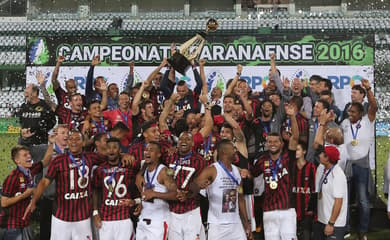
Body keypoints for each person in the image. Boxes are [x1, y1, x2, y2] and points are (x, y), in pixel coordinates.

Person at [23, 130, 107, 239]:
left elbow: (112, 158)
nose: (74, 142)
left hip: (83, 217)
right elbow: (44, 182)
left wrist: (124, 156)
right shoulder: (58, 161)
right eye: (71, 139)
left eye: (77, 139)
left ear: (83, 142)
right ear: (67, 142)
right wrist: (33, 201)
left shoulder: (91, 157)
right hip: (61, 218)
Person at [249, 103, 299, 240]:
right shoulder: (261, 160)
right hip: (269, 211)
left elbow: (295, 137)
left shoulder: (288, 156)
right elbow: (251, 173)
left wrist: (292, 116)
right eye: (269, 142)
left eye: (275, 141)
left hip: (287, 210)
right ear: (266, 144)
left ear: (281, 143)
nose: (272, 144)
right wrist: (242, 171)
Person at [340, 79, 377, 240]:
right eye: (349, 112)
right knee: (345, 197)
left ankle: (363, 231)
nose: (350, 114)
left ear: (360, 113)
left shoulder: (367, 121)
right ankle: (345, 228)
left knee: (362, 199)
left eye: (353, 112)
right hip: (346, 164)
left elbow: (374, 106)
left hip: (361, 164)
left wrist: (368, 88)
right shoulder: (345, 123)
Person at [194, 139, 253, 240]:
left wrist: (246, 224)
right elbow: (193, 187)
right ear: (224, 152)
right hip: (216, 225)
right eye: (233, 148)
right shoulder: (211, 170)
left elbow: (241, 198)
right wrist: (199, 186)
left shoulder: (237, 172)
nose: (236, 151)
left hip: (236, 224)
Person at [1, 145, 53, 240]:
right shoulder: (12, 178)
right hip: (12, 225)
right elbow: (4, 202)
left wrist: (52, 143)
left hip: (24, 223)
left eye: (29, 154)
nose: (29, 156)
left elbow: (45, 161)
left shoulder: (30, 170)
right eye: (25, 155)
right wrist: (25, 194)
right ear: (17, 161)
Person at [92, 137, 139, 240]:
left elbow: (139, 184)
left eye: (115, 147)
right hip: (105, 220)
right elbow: (95, 191)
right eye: (108, 148)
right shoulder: (100, 170)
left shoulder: (129, 168)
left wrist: (137, 201)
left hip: (124, 219)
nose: (111, 150)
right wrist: (95, 212)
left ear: (120, 150)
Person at [165, 131, 208, 240]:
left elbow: (200, 184)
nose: (183, 141)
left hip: (191, 210)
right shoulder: (168, 157)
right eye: (181, 139)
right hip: (172, 211)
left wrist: (187, 195)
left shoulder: (200, 161)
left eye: (187, 139)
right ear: (177, 143)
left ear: (193, 143)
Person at [136, 141, 177, 240]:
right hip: (142, 220)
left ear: (158, 154)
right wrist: (141, 202)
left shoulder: (163, 171)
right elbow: (142, 188)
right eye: (146, 150)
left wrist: (155, 194)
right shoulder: (145, 170)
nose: (147, 152)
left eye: (151, 150)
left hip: (158, 222)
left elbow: (176, 194)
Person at [314, 145, 348, 240]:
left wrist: (331, 223)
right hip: (322, 220)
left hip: (334, 224)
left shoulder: (338, 175)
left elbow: (338, 201)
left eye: (322, 154)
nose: (320, 155)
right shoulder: (323, 169)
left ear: (328, 158)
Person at [291, 142, 316, 240]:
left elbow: (314, 190)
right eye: (295, 150)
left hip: (306, 209)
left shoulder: (311, 167)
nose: (296, 152)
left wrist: (311, 208)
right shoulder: (291, 167)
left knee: (306, 235)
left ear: (304, 152)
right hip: (292, 208)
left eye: (298, 149)